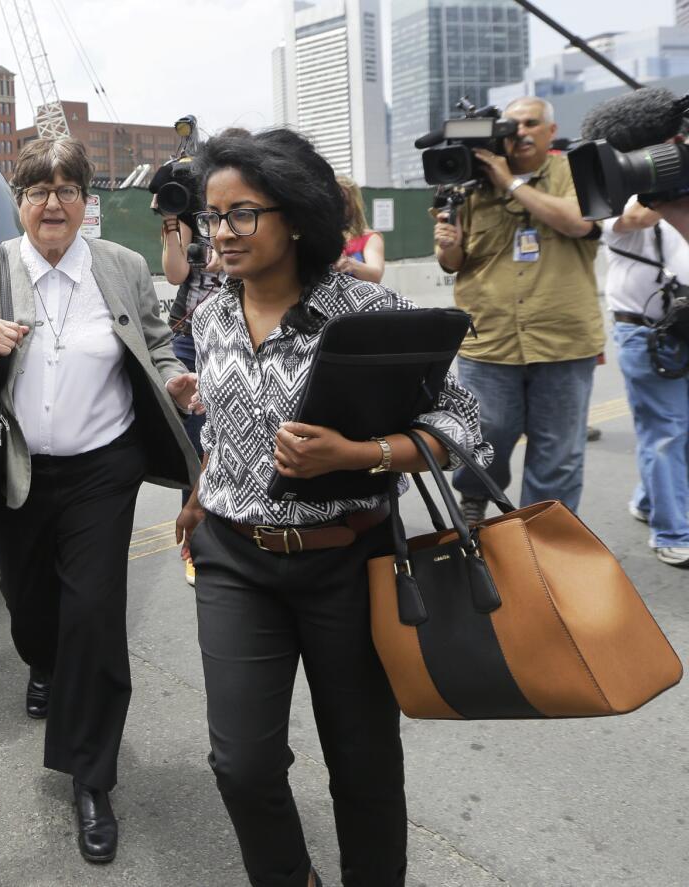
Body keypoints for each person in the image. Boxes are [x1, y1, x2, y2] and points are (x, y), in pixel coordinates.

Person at [176, 128, 491, 887]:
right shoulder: (210, 311)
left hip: (351, 561)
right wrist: (201, 487)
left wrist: (356, 456)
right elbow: (222, 420)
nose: (220, 234)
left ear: (296, 216)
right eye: (211, 218)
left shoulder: (366, 309)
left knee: (363, 765)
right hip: (233, 558)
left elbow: (462, 426)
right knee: (243, 763)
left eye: (240, 214)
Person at [0, 136, 199, 864]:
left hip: (102, 472)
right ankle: (43, 662)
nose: (53, 202)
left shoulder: (122, 267)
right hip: (15, 469)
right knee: (32, 607)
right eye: (38, 189)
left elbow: (158, 344)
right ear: (18, 201)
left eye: (67, 188)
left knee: (94, 617)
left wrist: (174, 379)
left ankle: (90, 775)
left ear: (88, 201)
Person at [433, 96, 602, 523]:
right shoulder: (472, 184)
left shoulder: (572, 171)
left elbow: (578, 222)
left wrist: (510, 183)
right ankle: (474, 496)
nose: (521, 132)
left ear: (550, 130)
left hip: (562, 339)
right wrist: (448, 248)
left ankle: (544, 533)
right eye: (513, 125)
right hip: (490, 339)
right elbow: (456, 262)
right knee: (487, 434)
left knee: (558, 450)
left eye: (531, 123)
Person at [581, 105, 689, 568]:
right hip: (646, 333)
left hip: (680, 325)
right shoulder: (614, 196)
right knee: (665, 432)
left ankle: (649, 502)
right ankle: (674, 532)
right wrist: (661, 185)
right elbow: (632, 220)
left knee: (674, 431)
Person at [159, 203, 222, 586]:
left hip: (240, 325)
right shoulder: (185, 220)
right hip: (187, 337)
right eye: (214, 217)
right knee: (196, 441)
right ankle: (197, 545)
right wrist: (171, 222)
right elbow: (175, 273)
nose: (222, 229)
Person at [334, 176, 385, 283]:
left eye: (344, 202)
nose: (338, 207)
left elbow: (376, 275)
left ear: (354, 205)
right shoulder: (321, 236)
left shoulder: (369, 238)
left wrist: (350, 264)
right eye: (334, 200)